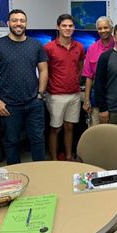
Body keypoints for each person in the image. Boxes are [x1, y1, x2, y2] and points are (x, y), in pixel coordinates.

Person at [0, 9, 48, 164]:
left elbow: (44, 69)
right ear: (8, 23)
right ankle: (15, 178)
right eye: (14, 20)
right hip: (9, 104)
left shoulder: (36, 45)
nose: (18, 23)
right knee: (11, 142)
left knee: (38, 140)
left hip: (34, 102)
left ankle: (42, 172)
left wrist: (40, 94)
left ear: (26, 23)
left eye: (22, 20)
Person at [44, 14, 85, 161]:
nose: (67, 28)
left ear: (74, 28)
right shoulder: (48, 48)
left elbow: (80, 67)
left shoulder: (79, 47)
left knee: (69, 127)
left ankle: (68, 157)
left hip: (74, 94)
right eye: (64, 26)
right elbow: (44, 70)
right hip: (55, 95)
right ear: (58, 27)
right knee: (55, 128)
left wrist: (74, 80)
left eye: (70, 26)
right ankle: (54, 160)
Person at [82, 16, 115, 126]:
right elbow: (88, 76)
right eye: (100, 28)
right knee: (95, 130)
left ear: (111, 28)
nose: (103, 31)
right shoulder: (92, 48)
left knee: (114, 133)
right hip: (97, 98)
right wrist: (87, 100)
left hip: (116, 99)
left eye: (106, 27)